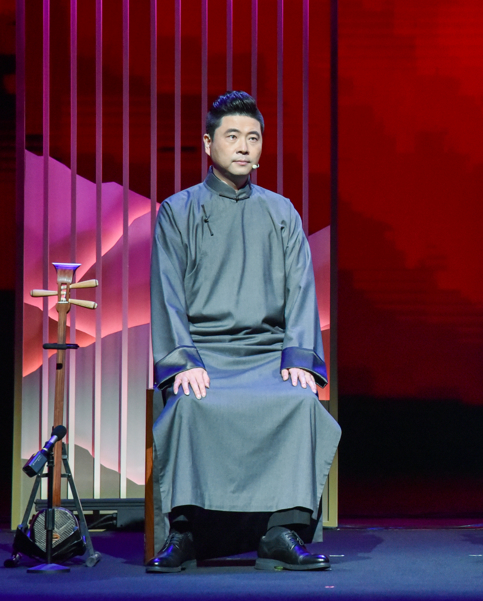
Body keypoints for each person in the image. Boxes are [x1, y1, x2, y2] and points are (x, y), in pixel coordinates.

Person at [147, 91, 340, 573]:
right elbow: (167, 292)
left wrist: (298, 356)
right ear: (208, 143)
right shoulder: (178, 211)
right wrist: (183, 360)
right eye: (232, 136)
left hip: (266, 355)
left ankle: (282, 531)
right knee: (189, 406)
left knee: (300, 403)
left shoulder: (281, 212)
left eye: (253, 138)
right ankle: (185, 532)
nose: (243, 147)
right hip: (205, 356)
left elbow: (301, 289)